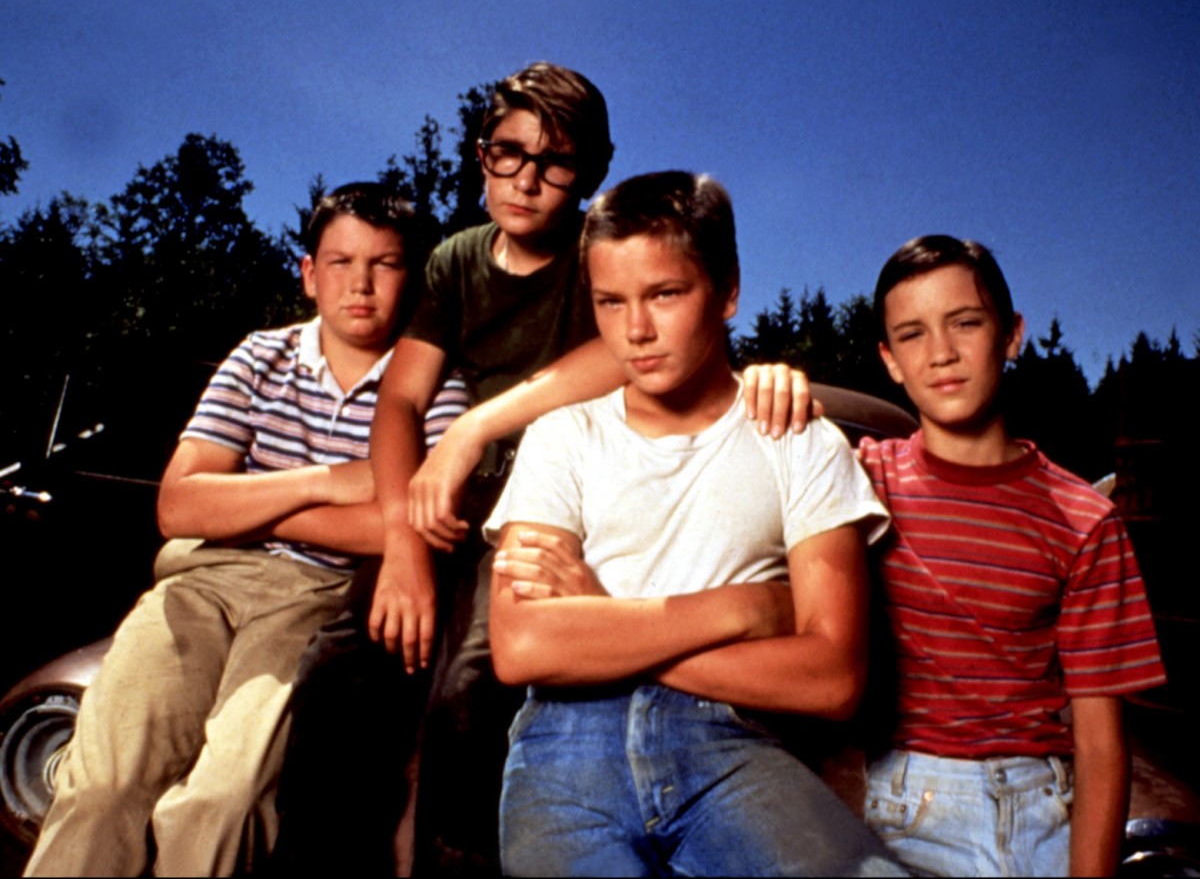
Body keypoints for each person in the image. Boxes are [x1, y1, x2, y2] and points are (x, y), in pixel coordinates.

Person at [362, 62, 807, 873]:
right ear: (481, 152)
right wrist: (399, 539)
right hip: (444, 505)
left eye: (556, 163)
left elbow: (626, 352)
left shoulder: (602, 254)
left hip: (539, 505)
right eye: (508, 153)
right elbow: (398, 402)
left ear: (592, 173)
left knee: (472, 692)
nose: (526, 180)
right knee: (339, 668)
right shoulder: (456, 261)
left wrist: (474, 427)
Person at [23, 183, 467, 877]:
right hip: (201, 582)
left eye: (385, 264)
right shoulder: (261, 356)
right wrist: (325, 479)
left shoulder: (437, 387)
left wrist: (247, 503)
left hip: (316, 597)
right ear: (309, 274)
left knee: (224, 801)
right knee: (101, 787)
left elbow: (408, 525)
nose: (360, 284)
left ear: (413, 277)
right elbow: (180, 506)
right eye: (341, 262)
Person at [484, 170, 906, 877]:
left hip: (731, 742)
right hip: (566, 747)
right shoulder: (562, 438)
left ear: (728, 290)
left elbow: (833, 679)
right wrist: (748, 608)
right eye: (610, 301)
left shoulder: (800, 439)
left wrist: (600, 616)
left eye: (665, 294)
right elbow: (524, 645)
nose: (635, 331)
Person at [856, 235, 1167, 877]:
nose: (941, 353)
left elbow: (1101, 743)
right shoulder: (862, 481)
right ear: (890, 360)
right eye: (912, 334)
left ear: (1012, 335)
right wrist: (775, 388)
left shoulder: (1085, 518)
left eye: (965, 323)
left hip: (1048, 808)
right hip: (909, 809)